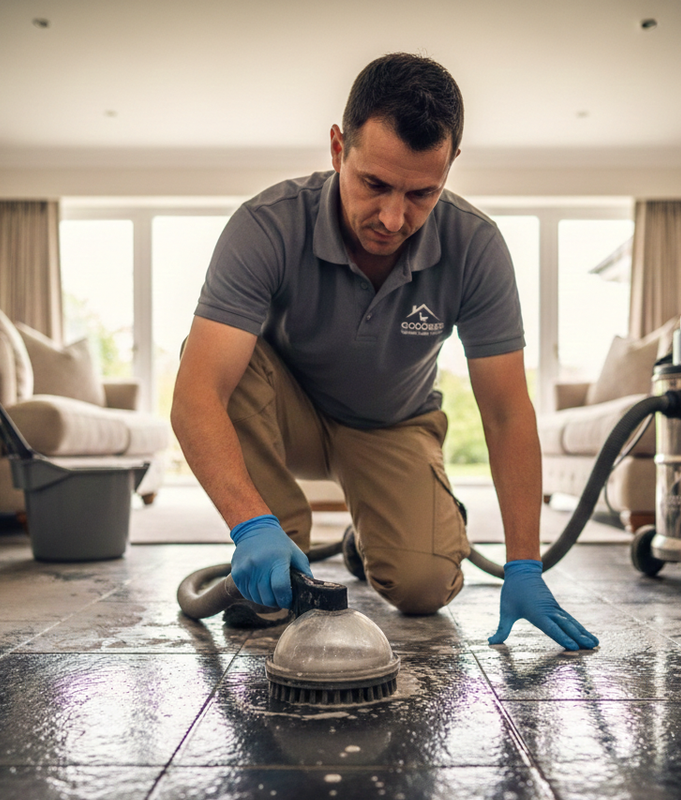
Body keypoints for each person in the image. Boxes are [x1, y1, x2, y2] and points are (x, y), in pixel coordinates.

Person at [171, 53, 598, 651]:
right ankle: (276, 539)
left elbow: (506, 412)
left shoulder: (476, 246)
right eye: (374, 184)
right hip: (287, 415)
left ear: (450, 166)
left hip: (392, 424)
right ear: (337, 148)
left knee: (425, 585)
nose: (394, 219)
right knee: (214, 362)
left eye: (422, 193)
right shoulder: (266, 225)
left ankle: (374, 536)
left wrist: (524, 563)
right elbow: (197, 394)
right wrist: (249, 523)